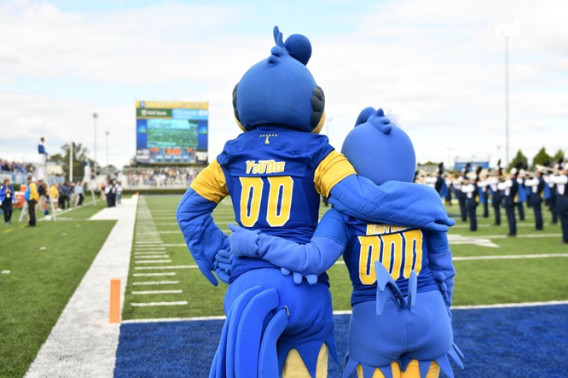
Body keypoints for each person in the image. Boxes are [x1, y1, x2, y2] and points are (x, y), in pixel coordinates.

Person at [177, 27, 454, 378]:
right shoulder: (319, 152)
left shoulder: (229, 156)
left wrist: (218, 252)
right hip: (302, 285)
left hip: (248, 278)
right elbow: (360, 200)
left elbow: (189, 210)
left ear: (239, 104)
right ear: (314, 104)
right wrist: (424, 202)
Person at [226, 111, 462, 377]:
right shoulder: (427, 205)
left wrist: (256, 243)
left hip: (375, 323)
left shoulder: (344, 215)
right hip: (432, 318)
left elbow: (312, 260)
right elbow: (444, 272)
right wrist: (445, 317)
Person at [549, 162, 568, 244]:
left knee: (564, 220)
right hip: (564, 198)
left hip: (563, 199)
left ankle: (565, 238)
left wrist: (554, 172)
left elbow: (551, 179)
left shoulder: (564, 178)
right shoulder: (563, 177)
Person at [499, 168, 519, 237]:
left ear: (513, 175)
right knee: (512, 216)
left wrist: (502, 180)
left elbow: (500, 187)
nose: (509, 175)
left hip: (509, 199)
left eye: (511, 174)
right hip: (512, 199)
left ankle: (512, 232)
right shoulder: (515, 181)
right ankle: (513, 231)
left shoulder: (510, 181)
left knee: (510, 217)